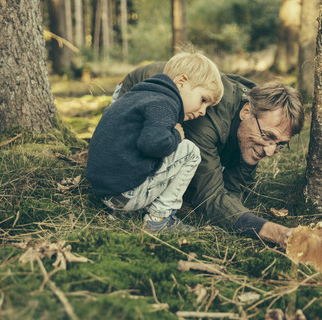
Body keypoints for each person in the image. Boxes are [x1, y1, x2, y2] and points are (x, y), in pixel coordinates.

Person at [114, 62, 305, 247]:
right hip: (134, 92)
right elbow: (209, 197)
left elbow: (232, 191)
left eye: (280, 144)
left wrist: (246, 164)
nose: (270, 151)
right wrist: (276, 232)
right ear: (246, 111)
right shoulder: (204, 117)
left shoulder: (260, 111)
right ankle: (157, 218)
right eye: (267, 136)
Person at [86, 51, 224, 233]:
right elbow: (152, 144)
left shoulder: (139, 95)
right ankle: (159, 218)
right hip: (125, 194)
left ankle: (127, 211)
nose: (203, 112)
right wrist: (176, 136)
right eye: (203, 100)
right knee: (190, 151)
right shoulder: (165, 104)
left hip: (105, 191)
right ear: (181, 82)